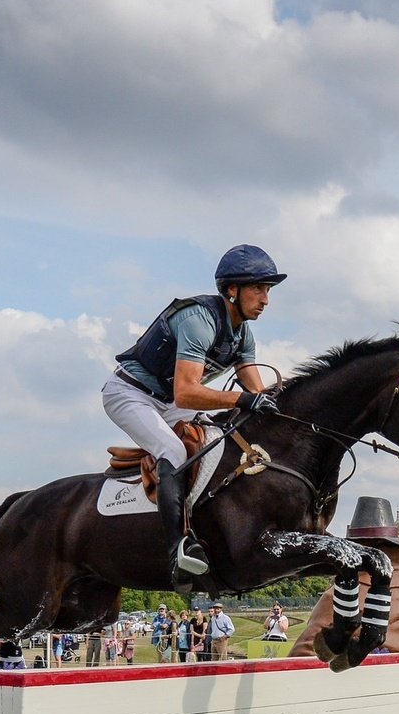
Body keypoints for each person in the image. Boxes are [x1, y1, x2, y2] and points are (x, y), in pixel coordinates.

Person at [100, 245, 286, 589]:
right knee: (172, 451)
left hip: (170, 400)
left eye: (268, 290)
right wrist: (245, 399)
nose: (265, 300)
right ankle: (178, 550)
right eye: (258, 289)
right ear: (232, 290)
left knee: (218, 440)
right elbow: (187, 392)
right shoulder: (198, 319)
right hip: (130, 393)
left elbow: (256, 392)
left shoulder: (242, 335)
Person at [291, 496, 399, 658]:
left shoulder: (340, 595)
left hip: (375, 675)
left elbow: (304, 654)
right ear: (397, 549)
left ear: (354, 549)